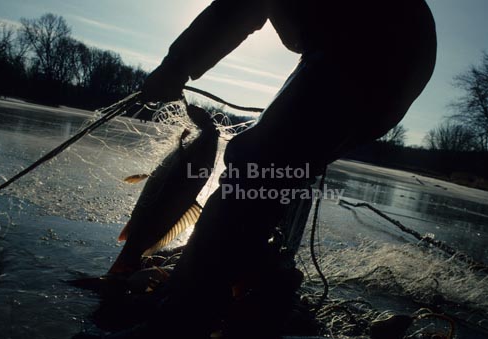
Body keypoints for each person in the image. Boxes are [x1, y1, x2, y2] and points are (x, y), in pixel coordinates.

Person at [137, 0, 437, 337]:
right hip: (393, 56)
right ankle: (257, 286)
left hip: (369, 45)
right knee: (280, 172)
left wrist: (176, 65)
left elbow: (238, 7)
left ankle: (180, 320)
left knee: (255, 168)